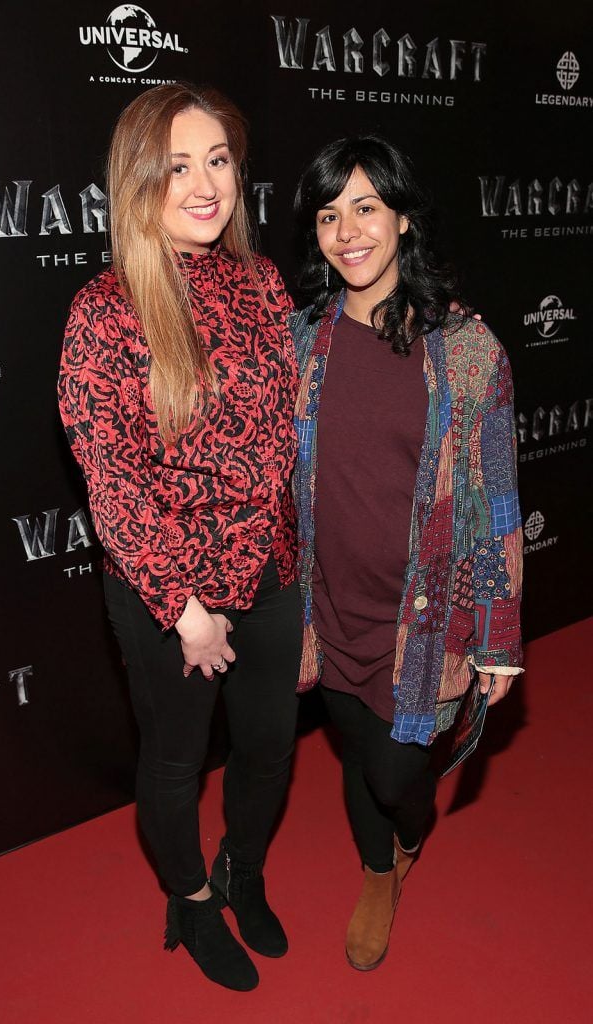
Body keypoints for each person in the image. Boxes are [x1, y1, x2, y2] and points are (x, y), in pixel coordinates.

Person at [57, 83, 302, 992]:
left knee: (271, 747)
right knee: (173, 760)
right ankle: (193, 902)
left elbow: (286, 441)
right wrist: (186, 608)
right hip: (172, 595)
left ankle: (244, 867)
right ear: (138, 180)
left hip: (271, 574)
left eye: (219, 160)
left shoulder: (261, 281)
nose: (204, 184)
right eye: (177, 165)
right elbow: (113, 484)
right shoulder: (105, 311)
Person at [291, 134, 523, 971]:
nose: (347, 231)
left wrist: (497, 635)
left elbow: (499, 504)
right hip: (328, 610)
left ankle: (409, 838)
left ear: (403, 220)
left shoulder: (467, 352)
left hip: (425, 620)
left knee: (398, 780)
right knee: (357, 755)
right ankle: (378, 872)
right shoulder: (300, 343)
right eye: (328, 213)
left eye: (366, 207)